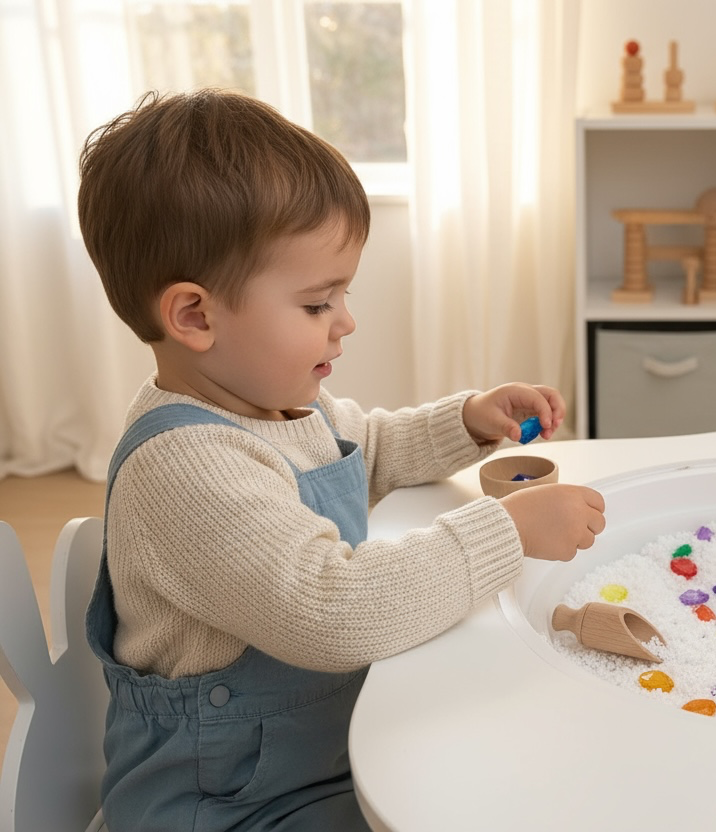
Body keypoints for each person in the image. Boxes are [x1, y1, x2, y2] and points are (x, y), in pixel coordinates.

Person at [76, 88, 606, 830]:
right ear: (195, 316)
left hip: (320, 756)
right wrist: (505, 532)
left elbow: (367, 448)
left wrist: (465, 420)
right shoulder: (185, 469)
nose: (346, 323)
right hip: (227, 803)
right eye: (318, 304)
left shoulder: (276, 403)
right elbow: (330, 609)